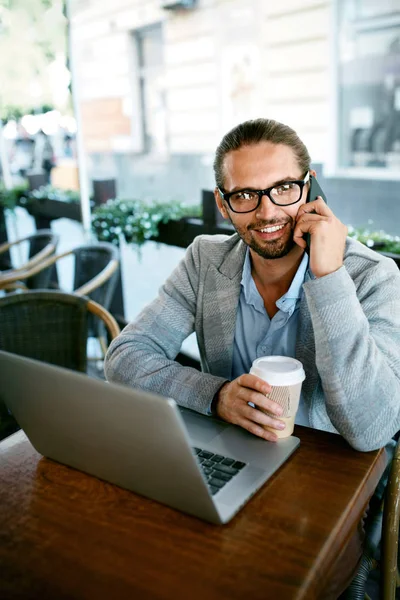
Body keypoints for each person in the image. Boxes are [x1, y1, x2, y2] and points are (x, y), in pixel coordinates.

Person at [104, 118, 400, 453]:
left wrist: (329, 277)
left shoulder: (374, 276)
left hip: (329, 475)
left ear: (310, 187)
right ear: (222, 204)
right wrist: (217, 396)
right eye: (244, 195)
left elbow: (372, 429)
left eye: (284, 188)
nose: (267, 211)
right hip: (228, 454)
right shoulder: (205, 260)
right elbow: (124, 358)